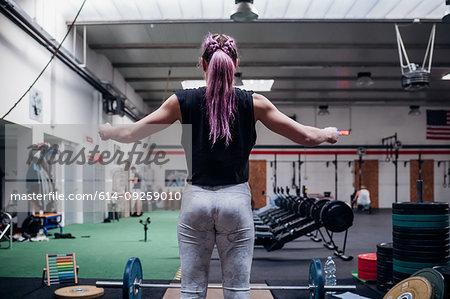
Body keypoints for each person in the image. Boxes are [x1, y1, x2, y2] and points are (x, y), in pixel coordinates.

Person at [99, 33, 338, 299]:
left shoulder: (181, 101)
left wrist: (109, 131)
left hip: (195, 201)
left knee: (191, 289)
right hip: (235, 201)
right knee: (237, 291)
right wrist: (328, 132)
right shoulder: (255, 102)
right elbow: (306, 136)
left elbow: (132, 133)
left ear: (203, 63)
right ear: (235, 63)